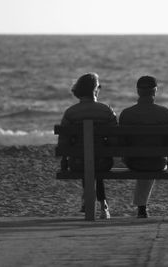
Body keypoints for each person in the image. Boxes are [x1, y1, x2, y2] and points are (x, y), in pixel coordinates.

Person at [119, 75, 168, 218]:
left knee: (143, 158)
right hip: (157, 162)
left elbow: (122, 142)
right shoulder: (165, 113)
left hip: (133, 163)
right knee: (152, 159)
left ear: (138, 91)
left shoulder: (127, 114)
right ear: (155, 91)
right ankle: (142, 206)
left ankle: (141, 207)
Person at [58, 73, 117, 219]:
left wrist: (66, 159)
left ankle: (88, 199)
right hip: (104, 163)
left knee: (86, 158)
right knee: (95, 157)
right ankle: (103, 204)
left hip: (77, 163)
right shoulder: (106, 110)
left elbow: (63, 143)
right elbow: (116, 139)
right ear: (95, 89)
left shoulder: (70, 112)